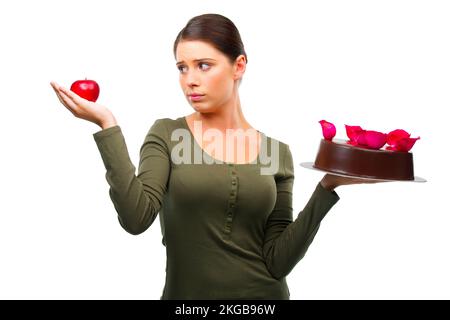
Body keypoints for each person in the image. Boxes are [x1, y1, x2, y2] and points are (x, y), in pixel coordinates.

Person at [50, 13, 382, 300]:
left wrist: (327, 187)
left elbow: (278, 261)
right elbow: (136, 219)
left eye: (203, 65)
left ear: (239, 65)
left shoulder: (272, 152)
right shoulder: (169, 135)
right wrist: (107, 125)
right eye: (182, 68)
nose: (189, 81)